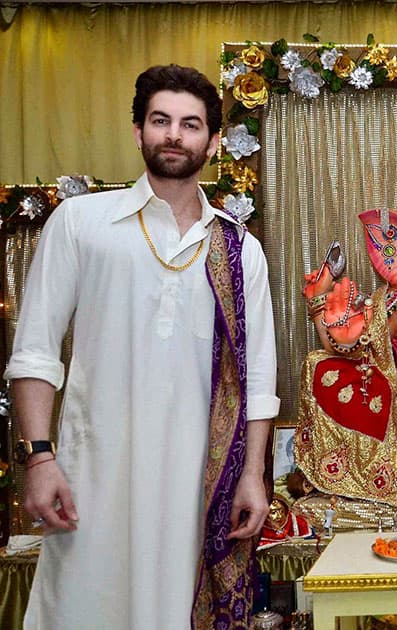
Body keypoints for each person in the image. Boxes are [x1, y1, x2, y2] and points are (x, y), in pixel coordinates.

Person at [5, 64, 280, 629]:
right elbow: (35, 351)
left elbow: (257, 377)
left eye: (190, 124)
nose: (174, 135)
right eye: (161, 121)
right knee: (87, 609)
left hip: (199, 482)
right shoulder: (82, 223)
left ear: (212, 142)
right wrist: (39, 457)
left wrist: (252, 473)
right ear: (138, 132)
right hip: (94, 473)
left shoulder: (237, 248)